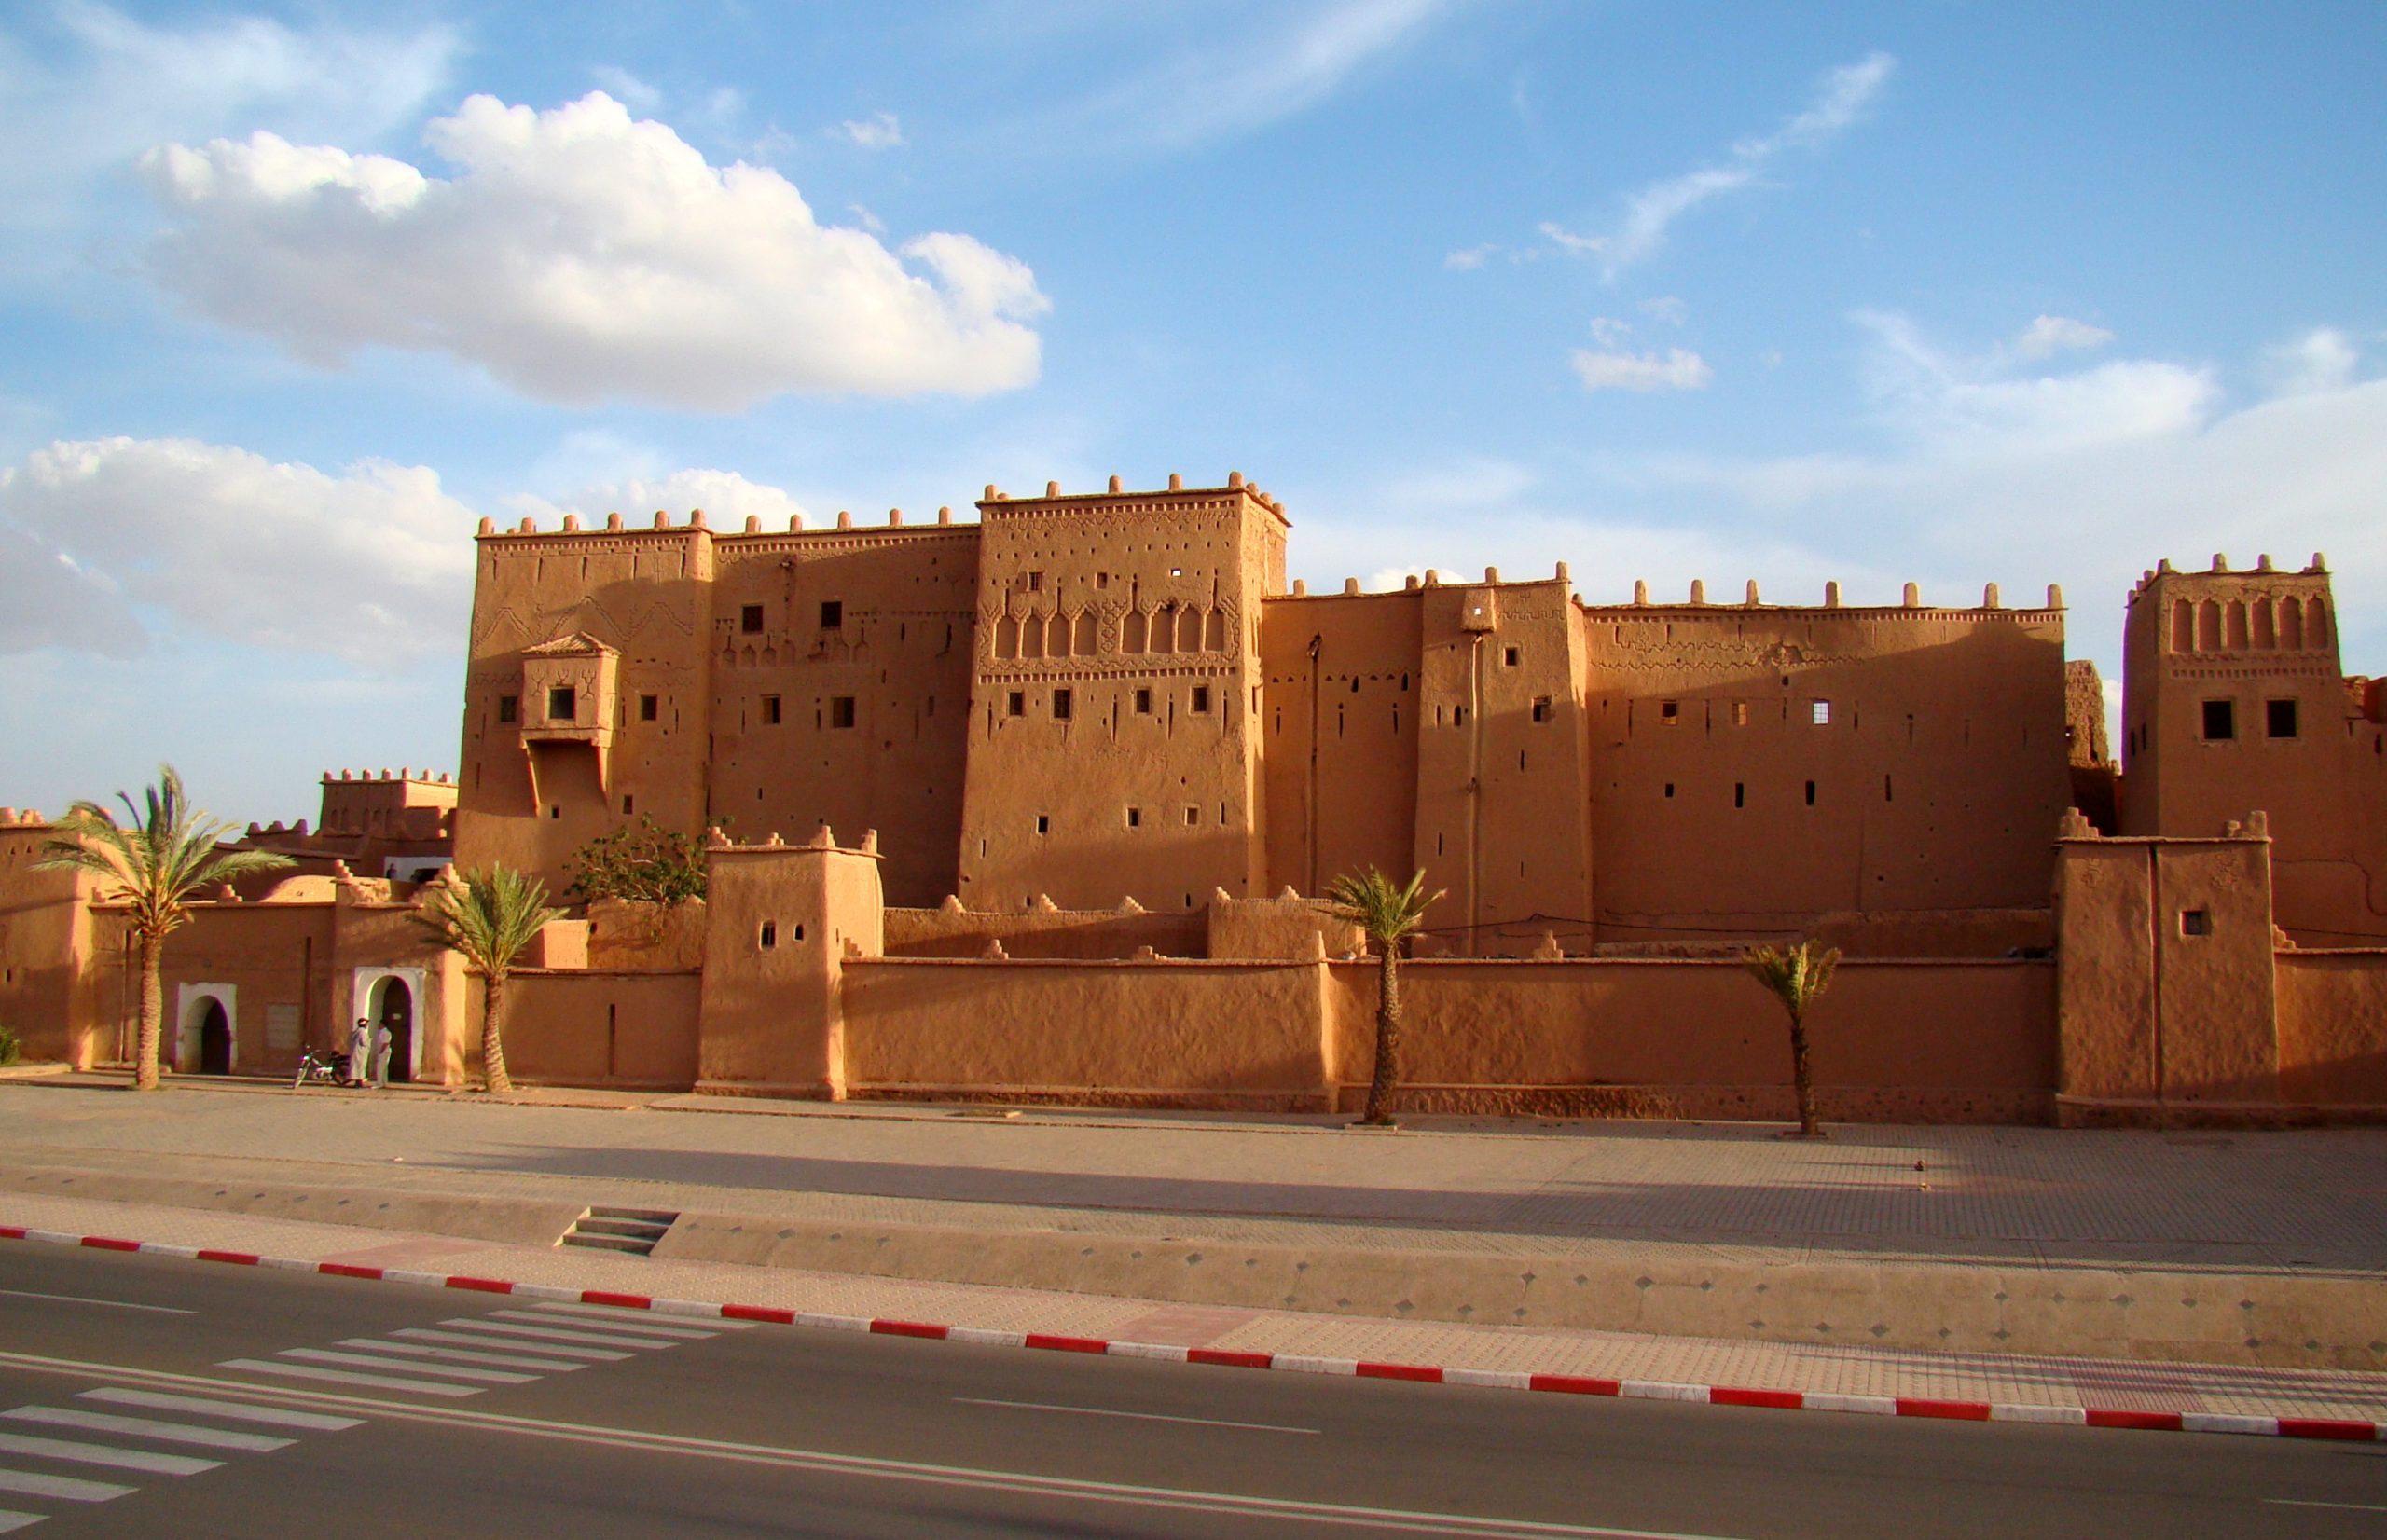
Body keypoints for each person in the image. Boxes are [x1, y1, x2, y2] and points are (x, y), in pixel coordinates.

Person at [346, 1017, 372, 1087]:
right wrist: (369, 1040)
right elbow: (364, 1042)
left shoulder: (356, 1031)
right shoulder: (362, 1032)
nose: (367, 1025)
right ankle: (359, 1083)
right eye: (366, 1023)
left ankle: (358, 1082)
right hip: (360, 1053)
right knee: (360, 1067)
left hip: (355, 1052)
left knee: (357, 1067)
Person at [369, 1018, 394, 1089]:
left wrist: (381, 1051)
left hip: (384, 1052)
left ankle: (379, 1083)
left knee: (380, 1067)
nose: (378, 1025)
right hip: (383, 1051)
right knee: (384, 1068)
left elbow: (385, 1043)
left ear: (382, 1025)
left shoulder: (386, 1032)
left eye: (379, 1024)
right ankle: (384, 1082)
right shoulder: (381, 1032)